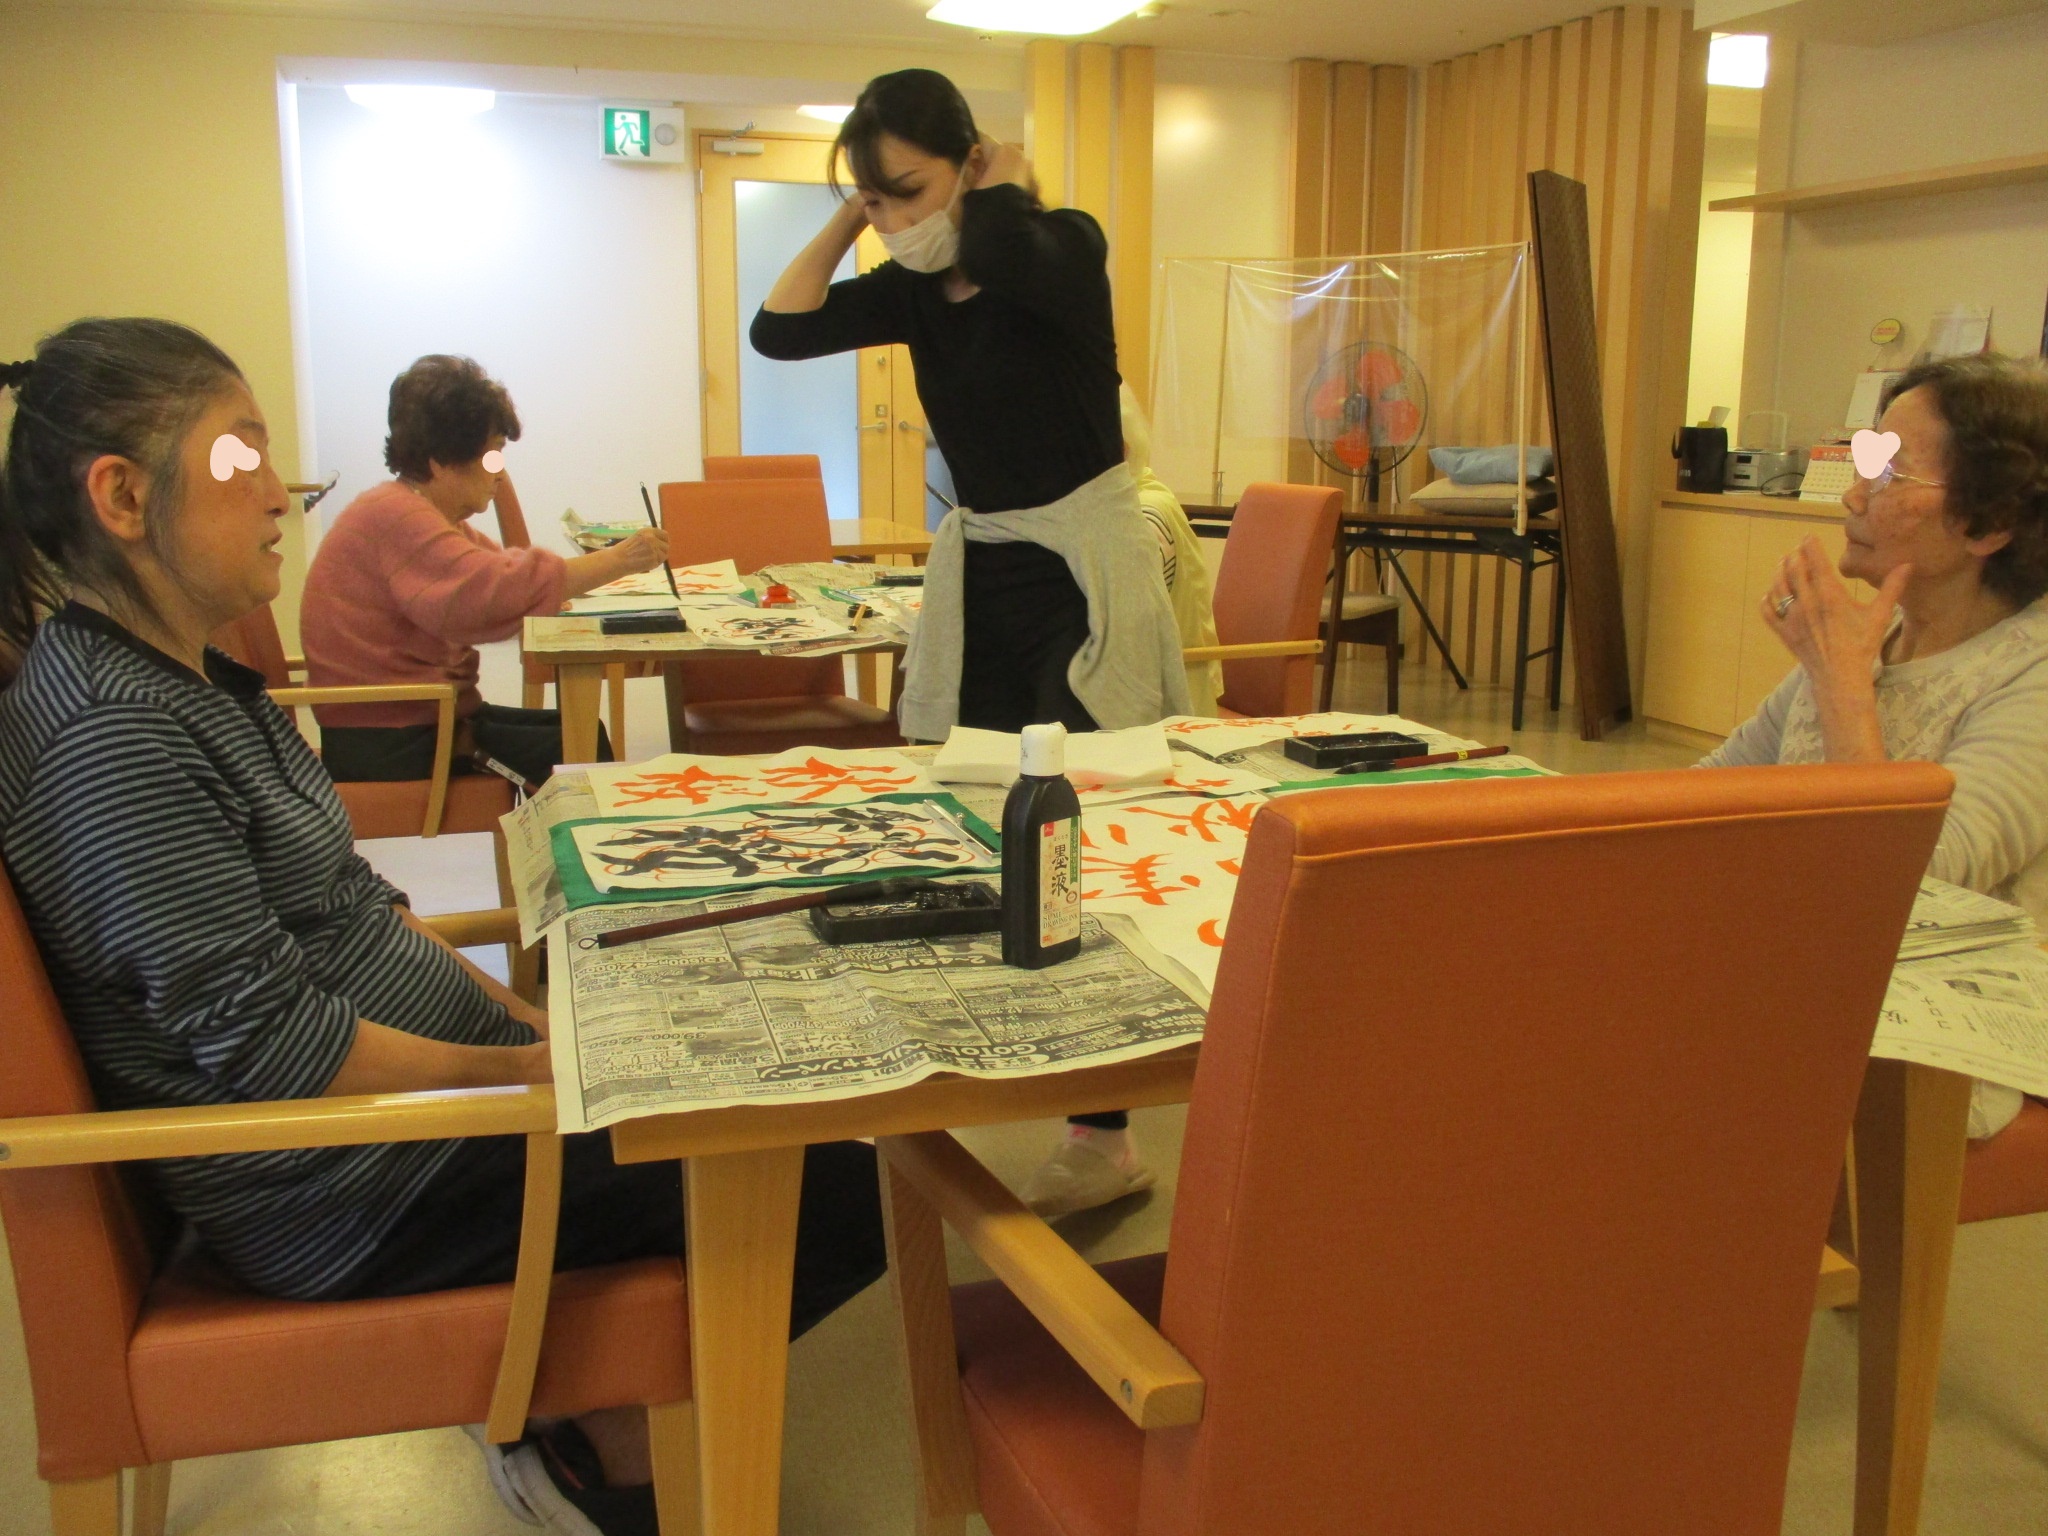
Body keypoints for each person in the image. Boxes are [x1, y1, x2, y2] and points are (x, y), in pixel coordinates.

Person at [0, 319, 885, 1536]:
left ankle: (573, 1395)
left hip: (400, 1136)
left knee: (738, 1063)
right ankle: (595, 1457)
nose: (279, 492)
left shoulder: (178, 681)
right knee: (831, 1185)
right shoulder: (116, 736)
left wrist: (530, 1025)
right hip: (352, 1185)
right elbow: (274, 1049)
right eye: (238, 456)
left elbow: (357, 916)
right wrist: (527, 1072)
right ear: (118, 498)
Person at [750, 67, 1190, 741]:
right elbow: (779, 331)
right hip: (985, 571)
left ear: (971, 167)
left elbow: (1001, 258)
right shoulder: (913, 288)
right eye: (877, 204)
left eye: (911, 192)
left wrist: (1004, 182)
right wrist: (853, 208)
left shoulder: (1066, 244)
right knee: (976, 771)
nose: (897, 223)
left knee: (1078, 773)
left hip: (1081, 574)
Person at [1701, 352, 2048, 1139]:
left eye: (1889, 474)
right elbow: (1717, 785)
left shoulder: (2030, 671)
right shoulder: (1873, 640)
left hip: (1946, 1029)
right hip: (1808, 969)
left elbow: (1915, 882)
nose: (1854, 494)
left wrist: (1843, 690)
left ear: (1989, 524)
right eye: (1864, 460)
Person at [301, 354, 669, 787]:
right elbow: (492, 591)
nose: (499, 472)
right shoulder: (397, 517)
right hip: (394, 741)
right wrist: (618, 560)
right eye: (492, 455)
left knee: (582, 734)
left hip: (419, 721)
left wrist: (543, 588)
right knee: (576, 745)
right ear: (441, 460)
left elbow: (502, 573)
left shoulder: (414, 511)